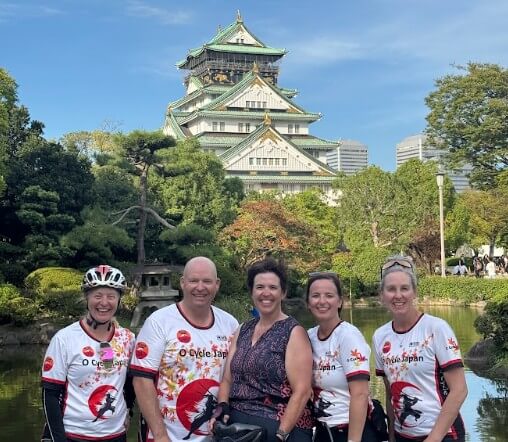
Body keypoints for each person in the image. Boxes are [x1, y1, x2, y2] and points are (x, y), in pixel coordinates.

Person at [130, 256, 239, 442]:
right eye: (193, 280)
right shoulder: (159, 322)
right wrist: (160, 434)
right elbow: (142, 381)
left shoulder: (230, 324)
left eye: (207, 281)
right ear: (182, 283)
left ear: (217, 284)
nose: (200, 287)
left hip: (217, 434)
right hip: (168, 434)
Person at [213, 258, 313, 441]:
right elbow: (227, 379)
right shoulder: (243, 329)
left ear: (283, 293)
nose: (266, 293)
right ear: (252, 291)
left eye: (273, 287)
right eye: (259, 287)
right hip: (239, 428)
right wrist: (222, 406)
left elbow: (302, 391)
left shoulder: (293, 332)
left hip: (278, 426)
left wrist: (281, 435)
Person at [372, 256, 467, 442]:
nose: (398, 295)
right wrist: (391, 435)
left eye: (405, 288)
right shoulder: (379, 336)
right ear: (382, 295)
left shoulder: (436, 328)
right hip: (403, 435)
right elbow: (390, 393)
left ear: (414, 292)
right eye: (391, 289)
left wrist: (434, 438)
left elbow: (460, 389)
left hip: (444, 434)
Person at [41, 265, 135, 442]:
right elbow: (50, 396)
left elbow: (130, 383)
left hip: (115, 434)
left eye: (111, 296)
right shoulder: (65, 339)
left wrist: (129, 410)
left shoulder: (128, 338)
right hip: (73, 434)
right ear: (86, 297)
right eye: (97, 296)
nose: (104, 302)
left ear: (119, 300)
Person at [306, 272, 379, 442]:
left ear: (339, 301)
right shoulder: (308, 337)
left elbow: (360, 393)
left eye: (329, 295)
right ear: (308, 302)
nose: (322, 301)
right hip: (323, 431)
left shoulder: (348, 336)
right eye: (315, 296)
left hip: (351, 431)